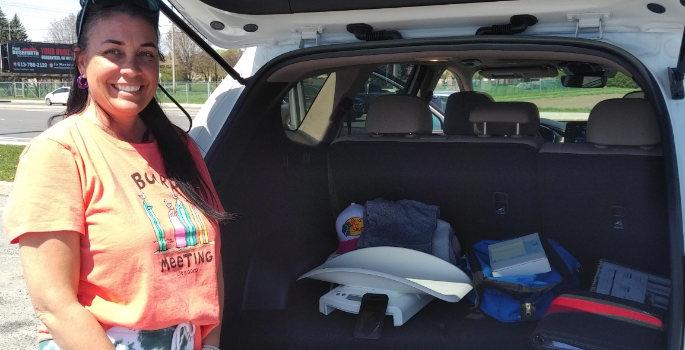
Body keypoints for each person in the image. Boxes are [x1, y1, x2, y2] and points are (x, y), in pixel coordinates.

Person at [3, 1, 228, 349]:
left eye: (146, 54)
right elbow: (55, 305)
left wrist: (211, 345)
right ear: (82, 61)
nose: (132, 69)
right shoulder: (59, 153)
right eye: (113, 52)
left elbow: (209, 267)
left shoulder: (182, 147)